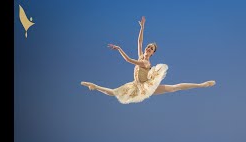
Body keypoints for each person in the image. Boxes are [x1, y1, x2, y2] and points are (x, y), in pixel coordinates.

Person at [81, 16, 216, 104]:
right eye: (148, 47)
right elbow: (139, 42)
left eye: (151, 49)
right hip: (135, 85)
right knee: (115, 92)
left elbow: (128, 60)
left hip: (147, 86)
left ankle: (202, 85)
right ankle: (95, 86)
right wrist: (142, 28)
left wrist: (119, 48)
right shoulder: (141, 55)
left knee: (174, 88)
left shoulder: (145, 62)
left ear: (152, 53)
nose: (148, 49)